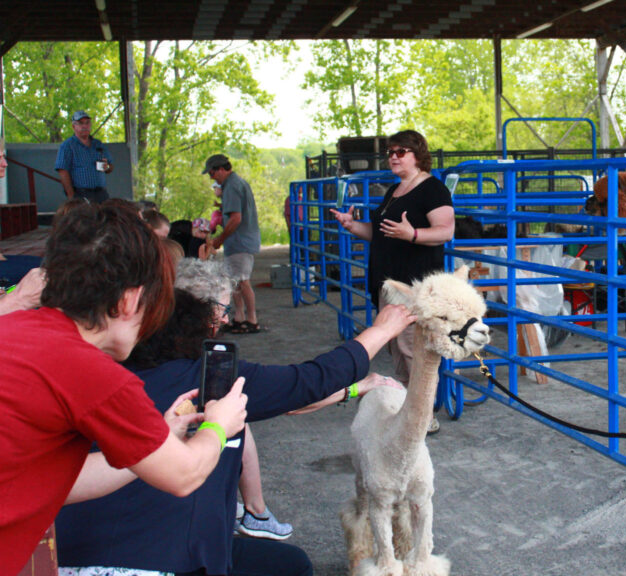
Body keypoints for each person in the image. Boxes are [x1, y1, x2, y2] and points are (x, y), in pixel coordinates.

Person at [56, 258, 413, 576]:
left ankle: (255, 516)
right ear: (201, 312)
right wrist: (380, 332)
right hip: (174, 557)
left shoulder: (93, 373)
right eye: (222, 309)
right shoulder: (215, 381)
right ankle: (256, 515)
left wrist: (357, 387)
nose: (227, 318)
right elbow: (307, 383)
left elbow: (296, 396)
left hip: (65, 551)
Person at [0, 201, 249, 575]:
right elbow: (184, 475)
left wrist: (155, 442)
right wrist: (219, 424)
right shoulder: (93, 373)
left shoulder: (13, 331)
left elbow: (55, 483)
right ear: (131, 299)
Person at [330, 129, 454, 433]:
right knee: (397, 348)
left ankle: (424, 415)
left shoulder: (432, 189)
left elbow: (445, 231)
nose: (393, 157)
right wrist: (351, 225)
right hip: (389, 285)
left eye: (401, 152)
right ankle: (410, 409)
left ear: (418, 155)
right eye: (390, 152)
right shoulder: (395, 190)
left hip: (415, 285)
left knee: (413, 348)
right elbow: (379, 234)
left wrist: (412, 234)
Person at [203, 154, 261, 334]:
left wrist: (218, 240)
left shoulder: (232, 187)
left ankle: (251, 320)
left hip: (239, 241)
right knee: (235, 281)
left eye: (212, 173)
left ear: (221, 169)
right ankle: (240, 317)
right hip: (240, 241)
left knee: (242, 281)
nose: (212, 178)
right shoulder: (236, 184)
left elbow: (236, 218)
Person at [55, 111, 113, 203]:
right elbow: (63, 171)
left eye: (87, 123)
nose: (84, 126)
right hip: (81, 193)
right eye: (80, 123)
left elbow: (110, 166)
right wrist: (71, 196)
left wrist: (107, 167)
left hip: (101, 193)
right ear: (74, 126)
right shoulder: (67, 146)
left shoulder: (98, 144)